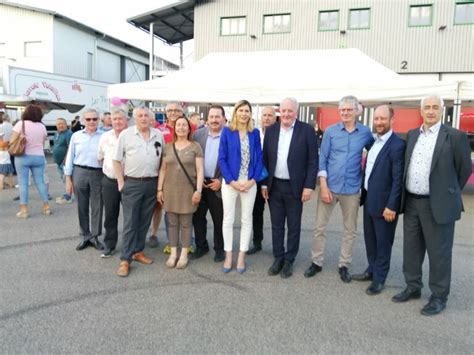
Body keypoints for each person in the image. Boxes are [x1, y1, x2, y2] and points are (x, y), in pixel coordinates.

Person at [392, 95, 471, 316]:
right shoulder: (413, 135)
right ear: (421, 110)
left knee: (439, 254)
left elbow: (463, 170)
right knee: (411, 249)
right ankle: (413, 286)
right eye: (427, 107)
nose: (430, 111)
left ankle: (438, 296)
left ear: (442, 110)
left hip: (438, 204)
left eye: (435, 107)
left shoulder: (454, 137)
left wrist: (446, 192)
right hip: (412, 203)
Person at [305, 95, 373, 283]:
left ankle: (344, 265)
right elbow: (323, 158)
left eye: (349, 110)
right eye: (342, 110)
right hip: (330, 186)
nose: (345, 113)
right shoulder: (331, 132)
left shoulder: (365, 133)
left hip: (352, 189)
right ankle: (316, 262)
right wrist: (324, 186)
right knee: (320, 227)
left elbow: (376, 154)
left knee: (350, 230)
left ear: (356, 111)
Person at [262, 97, 318, 278]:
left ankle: (289, 260)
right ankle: (278, 257)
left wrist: (309, 186)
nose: (286, 114)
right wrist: (264, 183)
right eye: (283, 111)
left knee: (294, 226)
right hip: (274, 185)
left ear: (296, 112)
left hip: (296, 187)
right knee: (277, 225)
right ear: (280, 111)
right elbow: (265, 160)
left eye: (290, 111)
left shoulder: (307, 131)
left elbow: (312, 161)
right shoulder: (271, 130)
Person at [353, 105, 406, 295]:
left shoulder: (397, 145)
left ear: (392, 120)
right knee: (370, 239)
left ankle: (380, 278)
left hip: (385, 206)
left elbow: (398, 179)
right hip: (369, 200)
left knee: (383, 243)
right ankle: (372, 269)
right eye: (376, 119)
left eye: (383, 119)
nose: (379, 122)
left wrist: (392, 205)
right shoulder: (374, 142)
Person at [113, 106, 164, 277]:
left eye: (146, 116)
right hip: (133, 183)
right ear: (134, 118)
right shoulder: (126, 135)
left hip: (152, 183)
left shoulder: (158, 135)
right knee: (130, 223)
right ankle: (125, 259)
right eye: (140, 116)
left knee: (144, 221)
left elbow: (163, 159)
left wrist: (159, 187)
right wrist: (121, 182)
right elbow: (116, 160)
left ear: (151, 118)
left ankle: (138, 251)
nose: (143, 118)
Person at [218, 99, 263, 274]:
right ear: (235, 112)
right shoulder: (227, 132)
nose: (244, 114)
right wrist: (232, 181)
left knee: (246, 220)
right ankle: (229, 255)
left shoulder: (255, 133)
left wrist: (252, 181)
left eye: (247, 111)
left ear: (251, 114)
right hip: (231, 183)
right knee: (228, 220)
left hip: (249, 183)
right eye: (241, 110)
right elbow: (222, 158)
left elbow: (259, 159)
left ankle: (242, 256)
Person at [157, 116, 204, 269]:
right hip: (170, 190)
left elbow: (200, 170)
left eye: (184, 125)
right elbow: (163, 169)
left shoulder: (195, 146)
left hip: (188, 191)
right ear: (174, 128)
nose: (181, 128)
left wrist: (198, 190)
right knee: (171, 223)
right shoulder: (168, 146)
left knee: (185, 223)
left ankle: (184, 254)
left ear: (189, 128)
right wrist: (159, 189)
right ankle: (173, 253)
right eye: (178, 125)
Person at [64, 108, 104, 251]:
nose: (91, 122)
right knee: (82, 206)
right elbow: (70, 157)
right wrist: (68, 179)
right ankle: (84, 236)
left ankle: (95, 237)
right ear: (83, 121)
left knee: (97, 207)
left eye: (94, 119)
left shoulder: (104, 136)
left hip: (98, 173)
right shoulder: (76, 136)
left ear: (99, 120)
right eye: (88, 119)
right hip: (79, 171)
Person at [192, 105, 226, 262]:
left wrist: (221, 180)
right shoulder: (197, 135)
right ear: (207, 119)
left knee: (219, 219)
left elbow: (234, 162)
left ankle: (219, 248)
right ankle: (201, 246)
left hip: (218, 183)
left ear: (224, 119)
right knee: (198, 218)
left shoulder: (230, 136)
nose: (214, 120)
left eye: (217, 117)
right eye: (211, 117)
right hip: (200, 183)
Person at [151, 102, 185, 251]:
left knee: (182, 207)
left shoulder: (189, 127)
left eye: (176, 110)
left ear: (182, 112)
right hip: (162, 173)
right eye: (170, 110)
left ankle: (184, 239)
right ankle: (154, 234)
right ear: (166, 113)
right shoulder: (159, 130)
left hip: (183, 175)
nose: (173, 113)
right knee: (159, 206)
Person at [9, 105, 51, 218]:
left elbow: (12, 141)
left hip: (23, 157)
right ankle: (46, 207)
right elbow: (42, 143)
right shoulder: (42, 126)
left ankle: (24, 210)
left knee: (23, 183)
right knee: (40, 181)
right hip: (39, 156)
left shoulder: (20, 124)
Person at [97, 109, 128, 258]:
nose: (117, 121)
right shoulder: (105, 137)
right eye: (114, 119)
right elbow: (100, 157)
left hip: (129, 182)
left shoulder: (132, 136)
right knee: (110, 214)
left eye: (120, 119)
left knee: (131, 215)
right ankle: (109, 244)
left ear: (126, 120)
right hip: (109, 181)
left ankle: (131, 245)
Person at [248, 106, 277, 255]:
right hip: (257, 179)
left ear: (274, 118)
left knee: (276, 214)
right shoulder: (255, 134)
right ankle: (257, 242)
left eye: (270, 115)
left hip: (275, 180)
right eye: (264, 115)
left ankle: (277, 246)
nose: (266, 118)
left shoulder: (280, 134)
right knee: (256, 212)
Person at [53, 118, 73, 204]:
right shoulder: (57, 134)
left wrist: (66, 159)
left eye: (62, 124)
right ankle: (67, 193)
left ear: (66, 124)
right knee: (64, 178)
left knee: (68, 179)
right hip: (59, 161)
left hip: (65, 161)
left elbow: (70, 148)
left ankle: (68, 196)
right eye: (58, 124)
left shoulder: (68, 134)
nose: (60, 125)